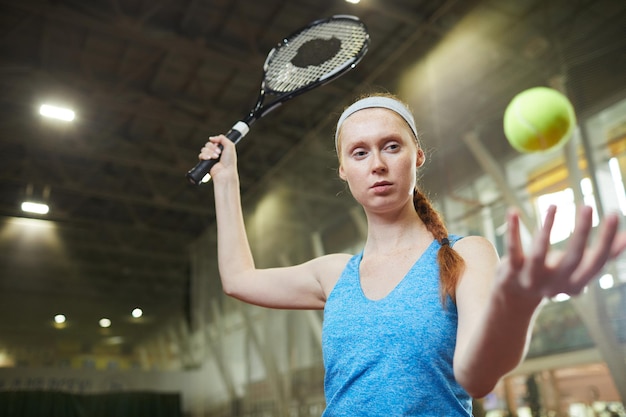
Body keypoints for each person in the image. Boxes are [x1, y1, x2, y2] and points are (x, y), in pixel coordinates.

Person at [198, 92, 626, 416]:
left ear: (417, 155)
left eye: (391, 146)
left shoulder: (466, 254)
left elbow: (477, 380)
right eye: (359, 153)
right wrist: (226, 179)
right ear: (344, 170)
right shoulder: (332, 274)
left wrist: (518, 305)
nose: (377, 164)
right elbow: (238, 279)